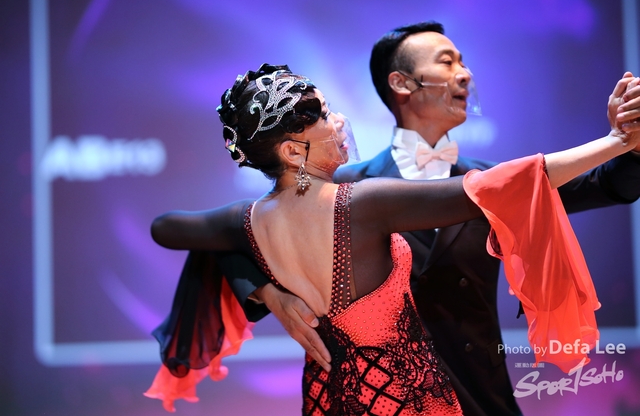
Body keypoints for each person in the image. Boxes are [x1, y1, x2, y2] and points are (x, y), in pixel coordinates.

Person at [145, 64, 640, 415]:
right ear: (293, 150)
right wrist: (617, 141)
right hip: (405, 400)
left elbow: (165, 227)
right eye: (324, 115)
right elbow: (498, 187)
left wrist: (266, 290)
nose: (340, 122)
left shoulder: (244, 219)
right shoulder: (364, 201)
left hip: (324, 398)